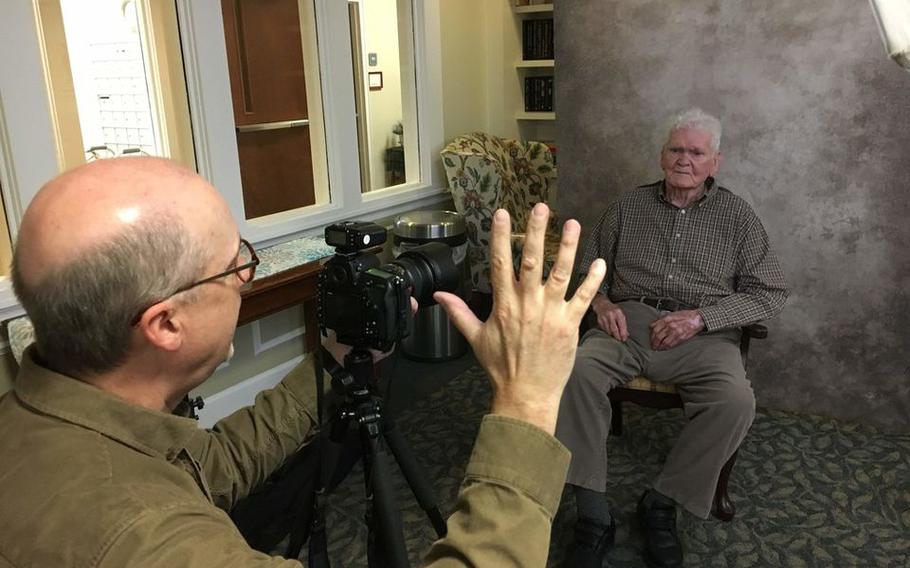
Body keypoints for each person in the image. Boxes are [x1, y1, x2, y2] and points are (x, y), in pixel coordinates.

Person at [0, 156, 605, 567]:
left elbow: (205, 465)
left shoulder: (42, 421)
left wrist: (335, 362)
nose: (244, 274)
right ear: (166, 324)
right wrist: (526, 400)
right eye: (234, 261)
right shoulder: (152, 540)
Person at [557, 108, 790, 568]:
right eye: (676, 149)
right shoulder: (627, 206)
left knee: (735, 402)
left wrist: (703, 318)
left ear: (715, 162)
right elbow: (587, 272)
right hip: (627, 322)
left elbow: (770, 290)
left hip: (703, 334)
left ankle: (662, 502)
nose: (685, 159)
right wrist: (601, 305)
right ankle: (592, 514)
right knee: (576, 372)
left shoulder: (738, 216)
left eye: (696, 152)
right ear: (663, 154)